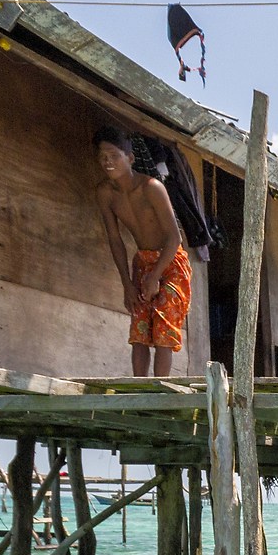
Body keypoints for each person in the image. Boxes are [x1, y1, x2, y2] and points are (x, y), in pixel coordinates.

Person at [96, 124, 190, 377]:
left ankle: (159, 391)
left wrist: (156, 275)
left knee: (162, 328)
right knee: (139, 329)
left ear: (130, 158)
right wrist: (127, 283)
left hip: (170, 262)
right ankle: (139, 388)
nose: (108, 162)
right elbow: (114, 239)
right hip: (143, 262)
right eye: (103, 157)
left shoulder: (152, 188)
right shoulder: (105, 194)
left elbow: (174, 237)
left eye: (114, 156)